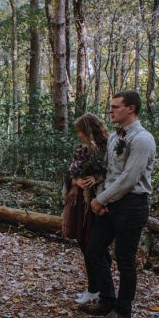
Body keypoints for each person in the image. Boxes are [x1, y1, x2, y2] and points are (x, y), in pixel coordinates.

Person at [82, 90, 156, 318]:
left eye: (115, 106)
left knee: (124, 259)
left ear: (131, 108)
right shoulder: (115, 137)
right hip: (110, 202)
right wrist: (102, 199)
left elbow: (129, 178)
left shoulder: (143, 139)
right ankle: (107, 300)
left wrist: (101, 199)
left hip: (132, 205)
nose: (111, 110)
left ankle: (123, 311)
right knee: (94, 250)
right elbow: (109, 172)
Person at [62, 113, 110, 304]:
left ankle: (99, 289)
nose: (79, 135)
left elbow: (113, 173)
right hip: (80, 202)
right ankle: (94, 288)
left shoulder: (107, 147)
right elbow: (69, 172)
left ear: (89, 130)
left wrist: (96, 178)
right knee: (85, 243)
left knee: (95, 247)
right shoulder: (81, 149)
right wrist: (76, 180)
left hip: (98, 202)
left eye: (81, 131)